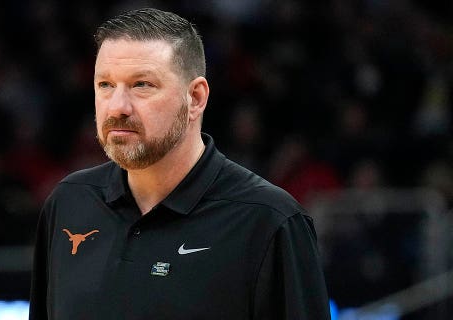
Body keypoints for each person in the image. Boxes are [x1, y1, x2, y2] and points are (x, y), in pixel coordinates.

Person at [30, 8, 330, 319]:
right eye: (105, 84)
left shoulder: (269, 221)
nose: (117, 106)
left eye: (142, 84)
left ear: (196, 97)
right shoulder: (68, 202)